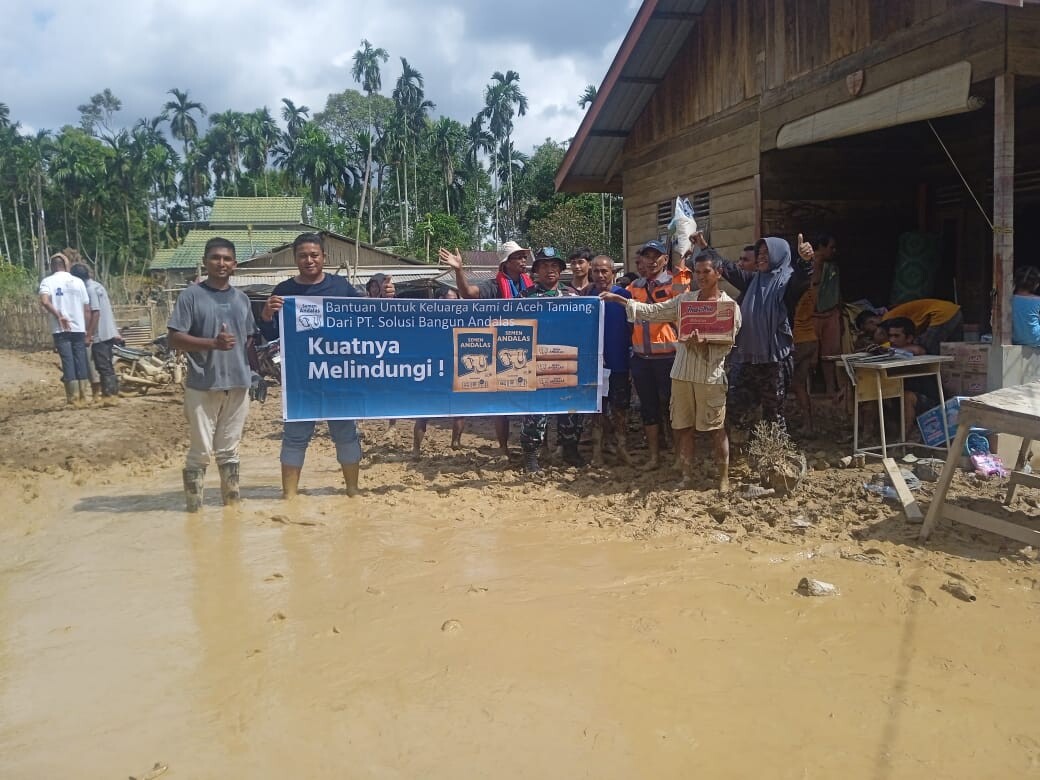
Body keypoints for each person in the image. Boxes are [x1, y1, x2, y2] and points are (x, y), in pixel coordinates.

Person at [602, 251, 741, 491]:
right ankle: (687, 476)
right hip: (682, 373)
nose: (701, 277)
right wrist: (623, 301)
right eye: (697, 272)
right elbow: (655, 312)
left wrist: (705, 343)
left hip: (710, 376)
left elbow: (728, 343)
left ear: (718, 273)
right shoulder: (685, 301)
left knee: (716, 427)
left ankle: (723, 478)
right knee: (682, 426)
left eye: (706, 272)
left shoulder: (728, 307)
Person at [260, 233, 364, 498]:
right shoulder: (283, 292)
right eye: (303, 255)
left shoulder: (341, 288)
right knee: (295, 436)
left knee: (346, 435)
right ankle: (290, 497)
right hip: (300, 380)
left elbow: (367, 320)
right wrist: (267, 314)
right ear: (295, 258)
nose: (309, 260)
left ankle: (353, 492)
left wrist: (387, 299)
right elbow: (271, 335)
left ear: (324, 258)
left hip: (339, 377)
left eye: (314, 255)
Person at [168, 237, 255, 512]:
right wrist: (211, 344)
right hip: (203, 383)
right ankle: (194, 511)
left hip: (238, 384)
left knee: (230, 450)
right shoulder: (191, 296)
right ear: (205, 262)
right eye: (215, 258)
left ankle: (231, 506)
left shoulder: (242, 299)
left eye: (227, 259)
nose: (221, 263)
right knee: (201, 452)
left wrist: (255, 374)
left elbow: (249, 340)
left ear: (235, 265)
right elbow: (174, 339)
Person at [693, 232, 810, 435]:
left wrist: (805, 261)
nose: (762, 256)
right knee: (736, 405)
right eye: (760, 252)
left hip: (775, 360)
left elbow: (801, 281)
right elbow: (727, 268)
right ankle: (742, 453)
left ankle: (775, 458)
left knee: (773, 412)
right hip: (747, 358)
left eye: (767, 252)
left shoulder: (788, 282)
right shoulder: (752, 280)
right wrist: (705, 247)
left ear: (779, 255)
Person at [439, 241, 535, 456]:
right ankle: (503, 447)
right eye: (518, 257)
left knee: (530, 402)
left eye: (524, 256)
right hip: (500, 350)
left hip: (527, 348)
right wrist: (459, 270)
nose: (523, 260)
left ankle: (532, 448)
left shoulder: (531, 287)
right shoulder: (493, 286)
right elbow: (468, 294)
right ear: (506, 263)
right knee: (502, 404)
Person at [518, 251, 585, 473]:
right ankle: (530, 455)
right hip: (536, 363)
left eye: (554, 265)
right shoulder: (524, 297)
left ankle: (570, 449)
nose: (550, 270)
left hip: (566, 361)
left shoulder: (572, 297)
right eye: (544, 266)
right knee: (536, 411)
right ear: (536, 271)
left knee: (570, 409)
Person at [626, 240, 686, 469]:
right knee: (648, 408)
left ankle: (679, 456)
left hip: (670, 358)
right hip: (642, 359)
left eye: (656, 256)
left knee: (675, 409)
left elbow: (684, 301)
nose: (651, 261)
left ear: (665, 259)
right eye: (646, 256)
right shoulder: (634, 287)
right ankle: (654, 457)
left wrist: (683, 261)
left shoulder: (675, 284)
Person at [587, 254, 633, 465]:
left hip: (619, 364)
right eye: (596, 271)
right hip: (595, 366)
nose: (600, 275)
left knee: (620, 408)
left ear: (613, 273)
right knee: (597, 410)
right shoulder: (586, 298)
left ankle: (622, 448)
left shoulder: (624, 296)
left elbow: (634, 327)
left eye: (604, 271)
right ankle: (597, 451)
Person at [413, 287, 466, 458]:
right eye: (449, 300)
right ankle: (416, 449)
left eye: (455, 301)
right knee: (424, 412)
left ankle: (456, 442)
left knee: (459, 410)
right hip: (433, 370)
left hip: (455, 368)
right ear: (440, 301)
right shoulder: (428, 320)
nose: (452, 305)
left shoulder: (463, 320)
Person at [38, 252, 92, 407]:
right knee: (80, 359)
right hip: (78, 328)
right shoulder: (78, 282)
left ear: (52, 266)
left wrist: (59, 315)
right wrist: (87, 329)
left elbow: (45, 301)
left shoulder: (47, 281)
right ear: (65, 265)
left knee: (67, 361)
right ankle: (83, 396)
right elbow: (86, 308)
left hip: (60, 329)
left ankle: (73, 398)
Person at [69, 263, 121, 405]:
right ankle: (109, 394)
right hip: (107, 331)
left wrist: (88, 334)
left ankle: (110, 396)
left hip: (100, 334)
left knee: (103, 365)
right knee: (105, 365)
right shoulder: (97, 286)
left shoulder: (89, 290)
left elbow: (95, 313)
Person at [857, 298, 962, 354]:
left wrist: (876, 346)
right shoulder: (892, 316)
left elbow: (883, 340)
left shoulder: (887, 319)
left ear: (871, 322)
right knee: (953, 351)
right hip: (953, 310)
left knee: (927, 350)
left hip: (941, 314)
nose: (868, 334)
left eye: (867, 331)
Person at [1012, 265, 1040, 346]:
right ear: (1036, 284)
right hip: (1037, 339)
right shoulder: (1038, 300)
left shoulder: (1008, 300)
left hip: (1015, 339)